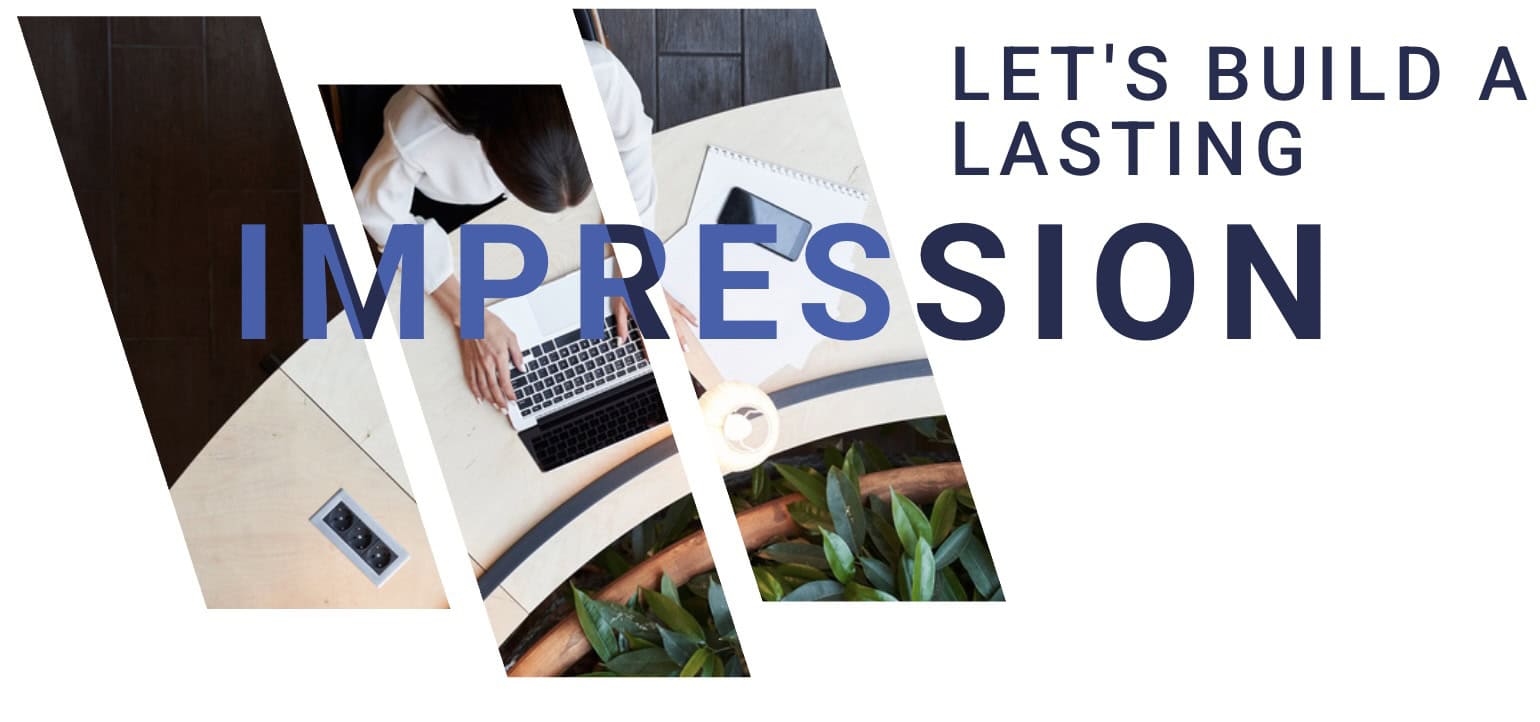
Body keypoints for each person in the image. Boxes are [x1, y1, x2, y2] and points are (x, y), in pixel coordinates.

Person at [354, 42, 694, 412]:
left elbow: (631, 148)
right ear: (493, 155)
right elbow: (376, 212)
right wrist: (467, 313)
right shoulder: (419, 131)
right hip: (448, 209)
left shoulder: (597, 74)